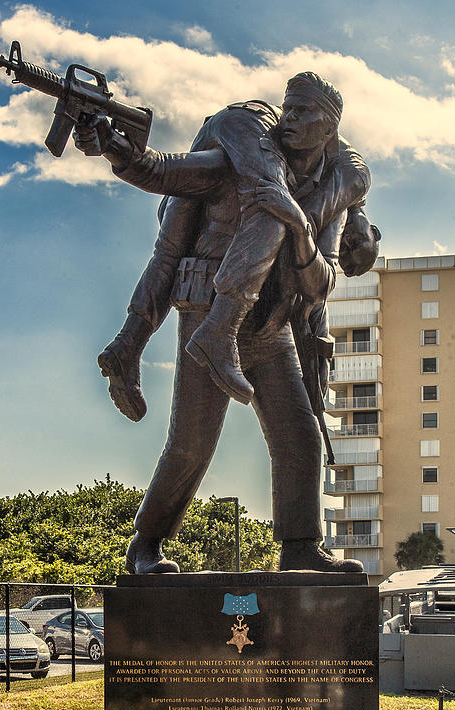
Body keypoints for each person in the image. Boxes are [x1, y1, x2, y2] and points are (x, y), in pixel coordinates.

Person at [74, 73, 380, 575]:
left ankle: (300, 545)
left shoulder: (334, 186)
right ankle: (145, 544)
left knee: (298, 437)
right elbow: (165, 171)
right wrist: (114, 147)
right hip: (208, 314)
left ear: (329, 129)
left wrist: (300, 226)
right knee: (193, 442)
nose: (290, 119)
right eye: (289, 108)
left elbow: (321, 283)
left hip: (270, 325)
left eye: (304, 114)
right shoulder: (241, 158)